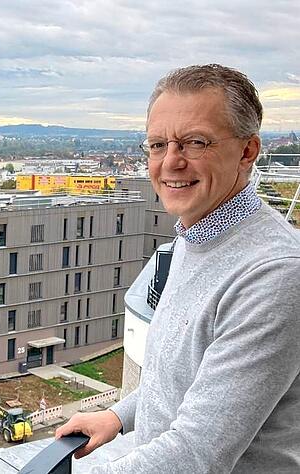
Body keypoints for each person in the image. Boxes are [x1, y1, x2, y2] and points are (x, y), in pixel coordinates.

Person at [55, 64, 300, 473]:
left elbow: (195, 453)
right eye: (157, 145)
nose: (171, 162)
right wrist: (117, 417)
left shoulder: (273, 275)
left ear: (247, 151)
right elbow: (179, 379)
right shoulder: (194, 238)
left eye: (195, 142)